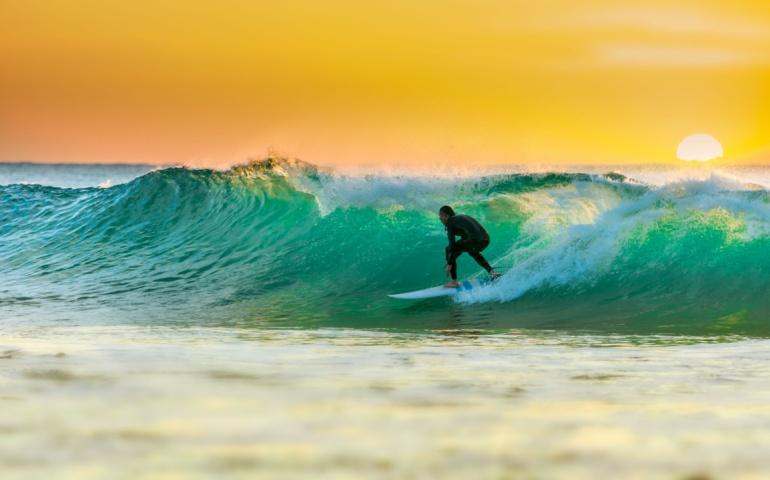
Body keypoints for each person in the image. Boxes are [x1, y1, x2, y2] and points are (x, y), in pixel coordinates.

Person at [439, 205, 500, 288]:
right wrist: (451, 258)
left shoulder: (450, 222)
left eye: (440, 216)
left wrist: (449, 262)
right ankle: (492, 272)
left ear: (446, 216)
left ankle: (454, 282)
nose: (440, 219)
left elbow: (452, 245)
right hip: (485, 239)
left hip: (475, 240)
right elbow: (461, 245)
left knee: (448, 249)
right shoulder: (459, 219)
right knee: (472, 251)